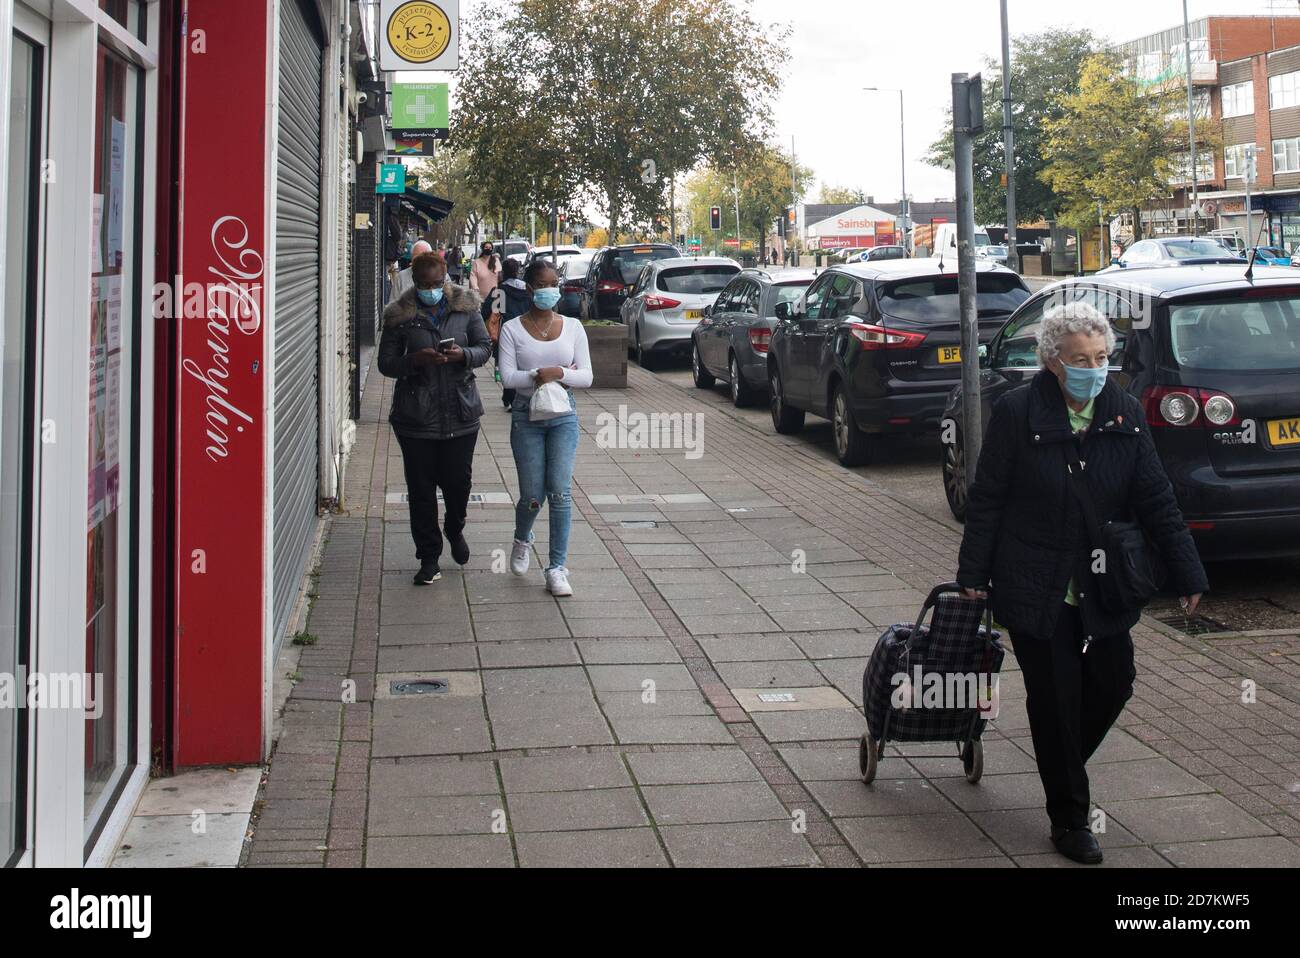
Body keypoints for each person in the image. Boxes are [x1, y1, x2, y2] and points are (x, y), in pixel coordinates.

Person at [956, 300, 1207, 865]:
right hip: (1033, 581)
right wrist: (972, 575)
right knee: (1054, 697)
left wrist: (1188, 571)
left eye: (1101, 357)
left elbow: (1156, 498)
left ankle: (1061, 766)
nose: (1094, 368)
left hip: (1103, 582)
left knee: (1114, 682)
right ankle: (1070, 820)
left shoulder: (1122, 413)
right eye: (1079, 359)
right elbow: (988, 499)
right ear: (1052, 362)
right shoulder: (1019, 413)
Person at [378, 252, 492, 585]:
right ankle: (429, 558)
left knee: (459, 483)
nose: (432, 290)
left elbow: (485, 347)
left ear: (447, 279)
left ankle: (454, 528)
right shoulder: (399, 315)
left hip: (461, 411)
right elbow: (386, 363)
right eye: (425, 285)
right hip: (416, 417)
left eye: (437, 283)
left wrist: (463, 355)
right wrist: (415, 360)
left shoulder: (466, 308)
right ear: (415, 283)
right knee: (421, 490)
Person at [496, 259, 593, 597]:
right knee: (533, 496)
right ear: (530, 288)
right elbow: (506, 377)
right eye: (543, 284)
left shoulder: (573, 327)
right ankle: (522, 538)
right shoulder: (511, 329)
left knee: (560, 492)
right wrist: (539, 374)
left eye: (555, 283)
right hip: (526, 416)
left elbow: (587, 376)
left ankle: (556, 569)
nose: (550, 290)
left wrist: (561, 374)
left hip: (563, 416)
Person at [491, 257, 531, 409]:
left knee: (508, 363)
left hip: (506, 331)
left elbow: (494, 312)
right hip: (526, 329)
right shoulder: (528, 289)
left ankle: (509, 397)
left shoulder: (500, 290)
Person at [389, 239, 432, 304]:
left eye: (424, 256)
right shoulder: (401, 277)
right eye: (417, 257)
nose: (420, 260)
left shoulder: (442, 276)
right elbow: (392, 305)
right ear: (412, 258)